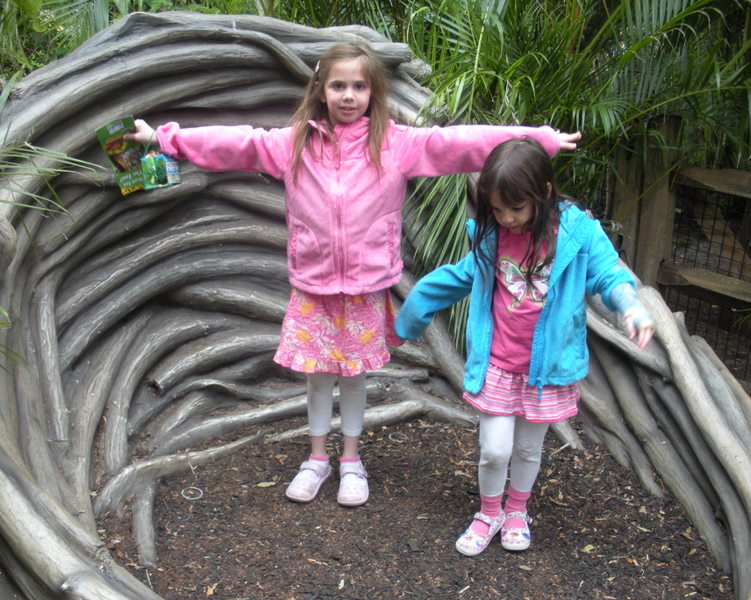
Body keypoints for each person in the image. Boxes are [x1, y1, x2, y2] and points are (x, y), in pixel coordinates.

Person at [123, 42, 581, 508]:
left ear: (373, 91)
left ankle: (351, 460)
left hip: (365, 288)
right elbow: (238, 144)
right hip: (313, 287)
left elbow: (459, 143)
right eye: (338, 85)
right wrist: (164, 138)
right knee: (318, 377)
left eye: (359, 86)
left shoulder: (396, 144)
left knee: (354, 376)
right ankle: (316, 458)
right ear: (320, 89)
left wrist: (537, 140)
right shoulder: (294, 143)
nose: (348, 95)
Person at [394, 137, 654, 555]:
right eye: (497, 209)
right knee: (495, 450)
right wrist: (410, 317)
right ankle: (489, 512)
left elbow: (609, 274)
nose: (506, 218)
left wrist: (632, 307)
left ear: (544, 192)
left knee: (529, 447)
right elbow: (456, 279)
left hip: (546, 371)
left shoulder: (578, 233)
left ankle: (517, 510)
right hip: (499, 365)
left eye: (515, 208)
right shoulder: (493, 237)